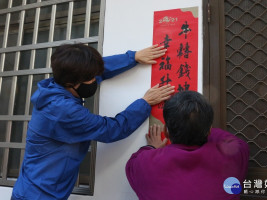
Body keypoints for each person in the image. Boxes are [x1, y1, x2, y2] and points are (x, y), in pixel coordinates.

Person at [11, 43, 175, 200]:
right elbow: (112, 129)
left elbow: (97, 72)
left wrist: (133, 57)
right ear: (72, 83)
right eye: (91, 78)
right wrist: (144, 103)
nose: (95, 79)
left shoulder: (56, 85)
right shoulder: (63, 111)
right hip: (38, 196)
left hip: (34, 190)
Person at [126, 91, 249, 200]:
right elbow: (236, 143)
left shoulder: (143, 164)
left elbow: (133, 162)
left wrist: (152, 147)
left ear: (165, 131)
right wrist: (200, 127)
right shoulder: (233, 157)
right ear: (210, 130)